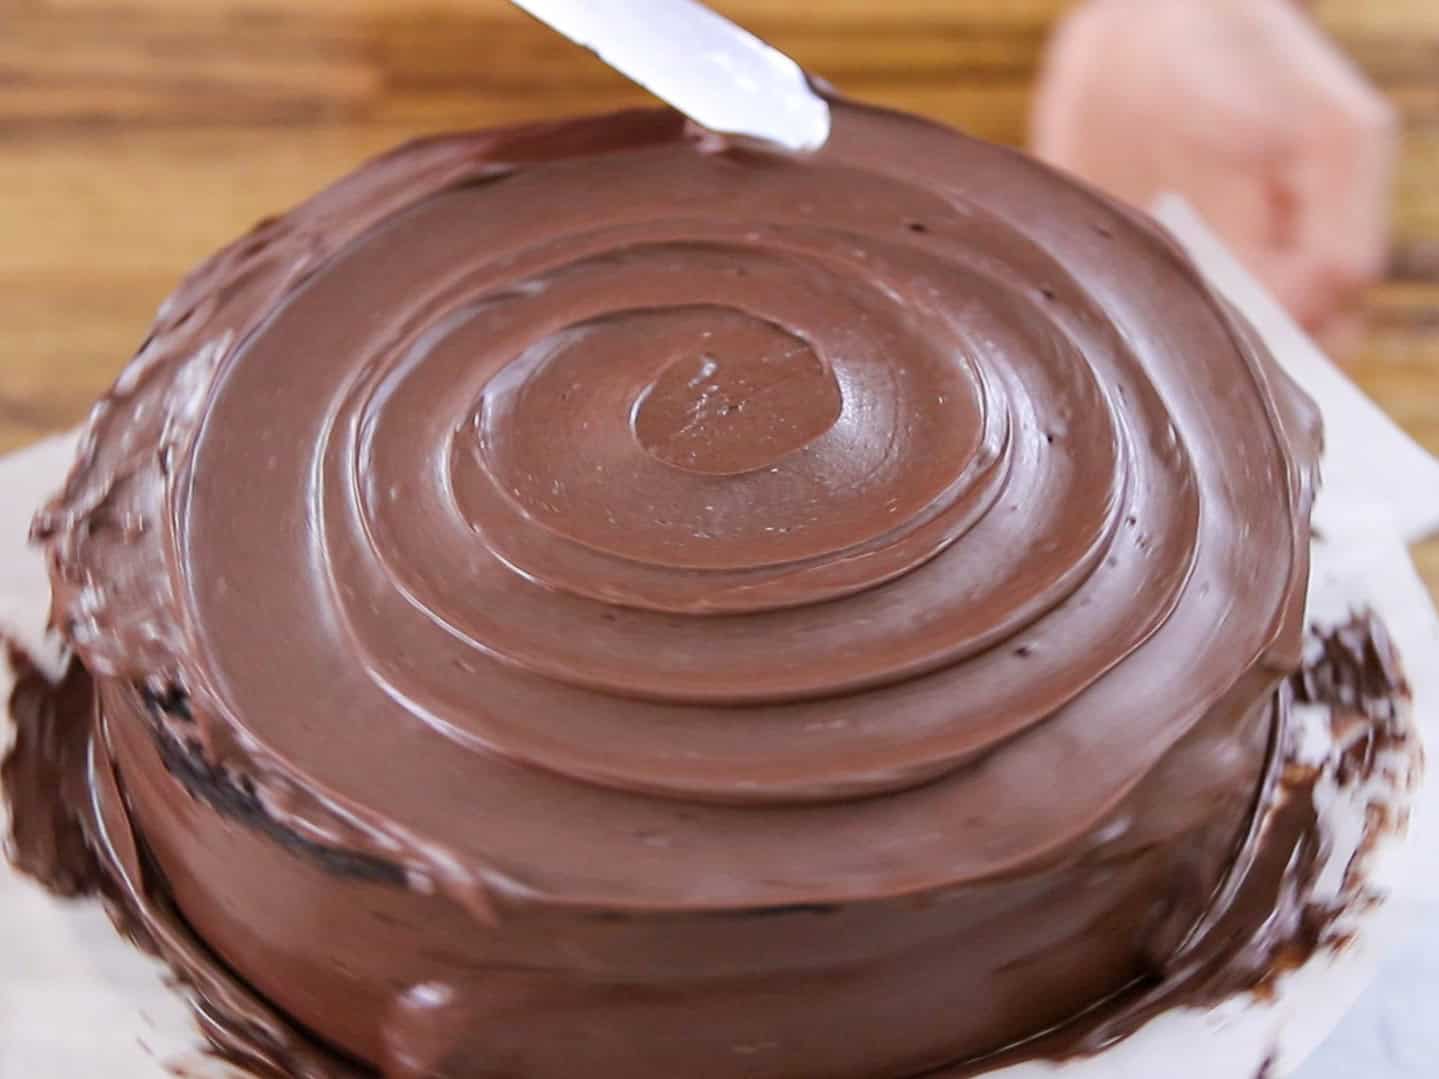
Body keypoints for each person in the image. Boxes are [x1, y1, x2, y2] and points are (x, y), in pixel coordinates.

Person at [1032, 0, 1398, 347]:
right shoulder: (1258, 33)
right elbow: (1341, 259)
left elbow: (1049, 208)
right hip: (1243, 348)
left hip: (1107, 335)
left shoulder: (1094, 28)